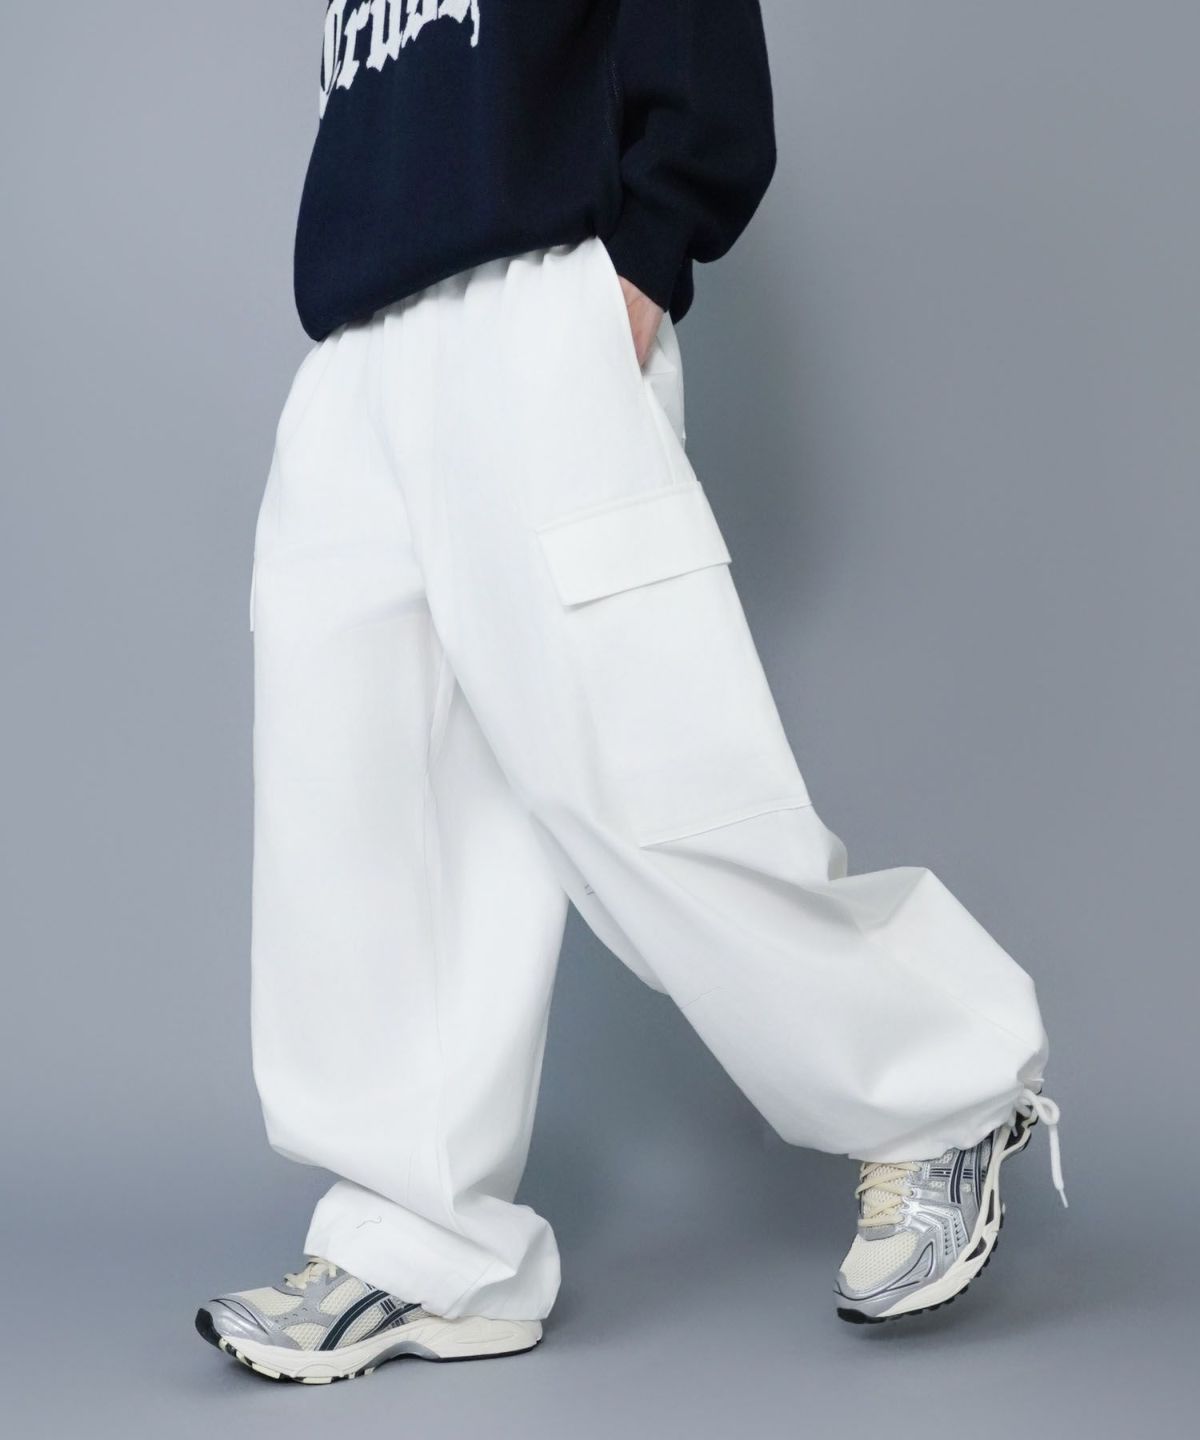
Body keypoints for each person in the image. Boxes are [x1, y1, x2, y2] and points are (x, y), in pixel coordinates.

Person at [196, 0, 1063, 1384]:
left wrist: (642, 258)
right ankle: (425, 1246)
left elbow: (696, 42)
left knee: (648, 779)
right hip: (357, 344)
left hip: (537, 303)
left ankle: (938, 1089)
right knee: (352, 817)